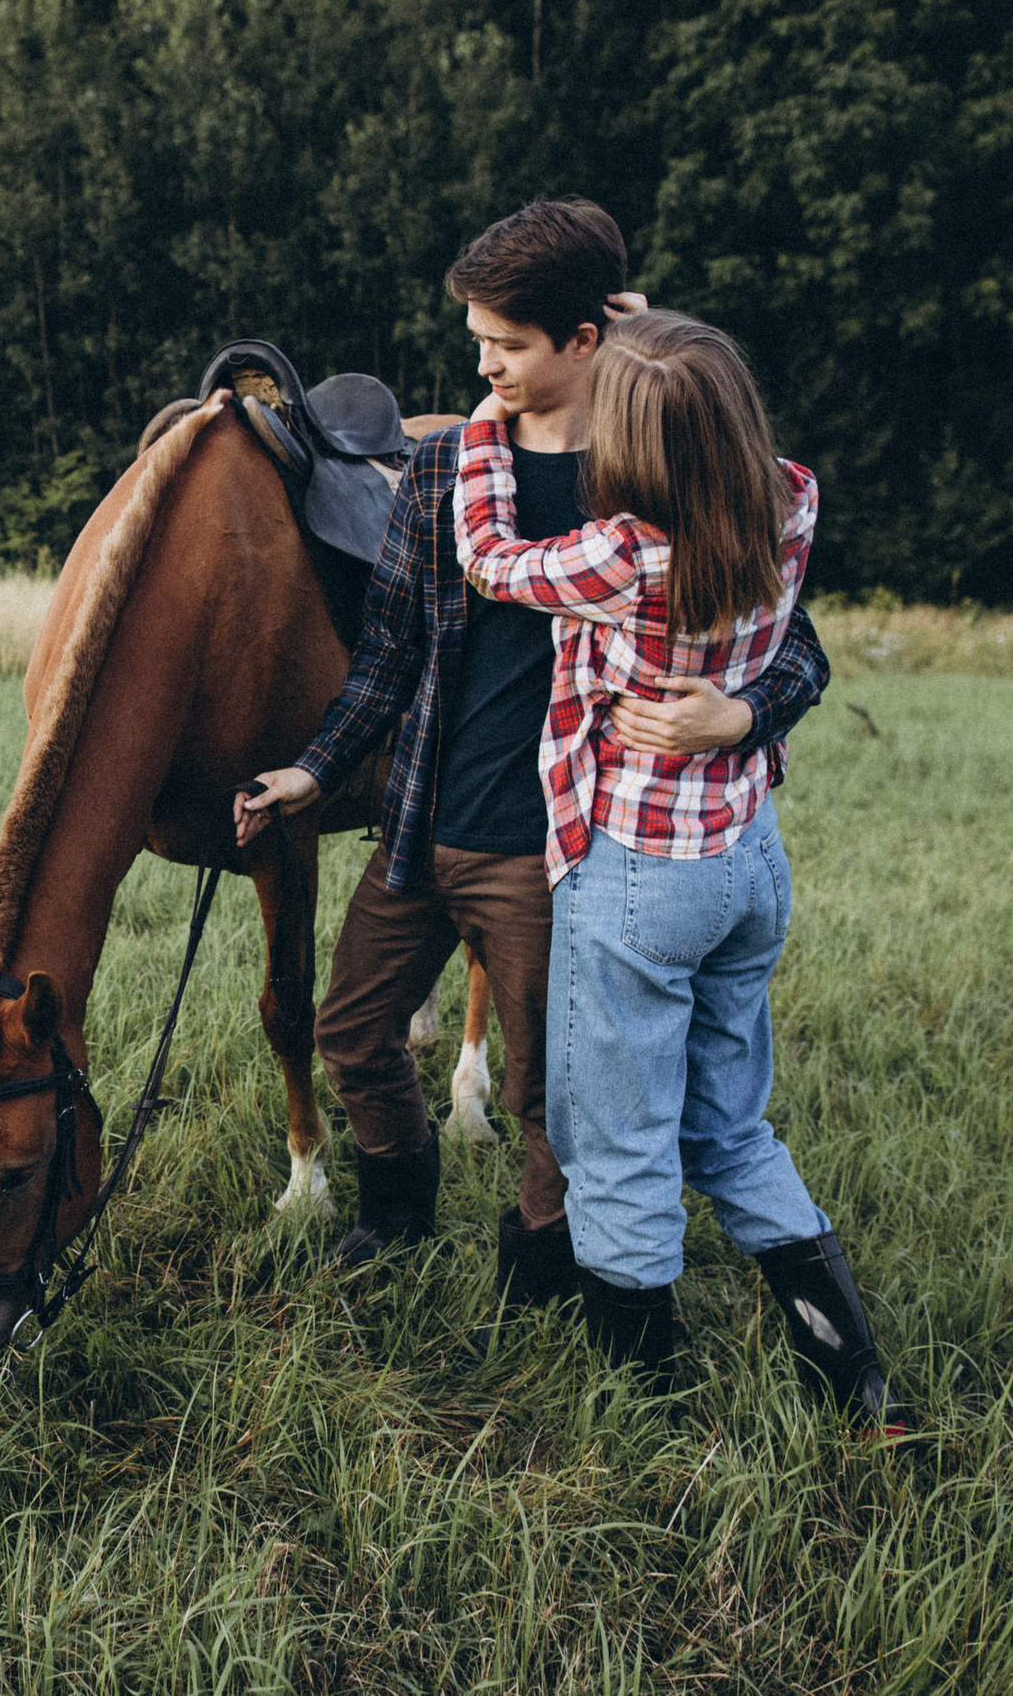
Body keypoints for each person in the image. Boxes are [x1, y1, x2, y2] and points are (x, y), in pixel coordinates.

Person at [234, 200, 833, 1323]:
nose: (482, 365)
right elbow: (393, 651)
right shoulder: (443, 471)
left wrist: (741, 719)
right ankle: (398, 1204)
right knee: (351, 1028)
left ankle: (541, 1253)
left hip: (561, 843)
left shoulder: (652, 467)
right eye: (477, 341)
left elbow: (791, 647)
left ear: (585, 338)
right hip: (423, 817)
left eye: (505, 344)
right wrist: (317, 771)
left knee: (550, 1090)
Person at [454, 307, 899, 1430]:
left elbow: (488, 560)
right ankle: (856, 1381)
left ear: (637, 442)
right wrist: (653, 338)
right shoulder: (791, 499)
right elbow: (704, 404)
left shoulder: (622, 556)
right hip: (746, 861)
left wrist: (477, 432)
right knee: (729, 1128)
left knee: (618, 1145)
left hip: (640, 876)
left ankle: (638, 1401)